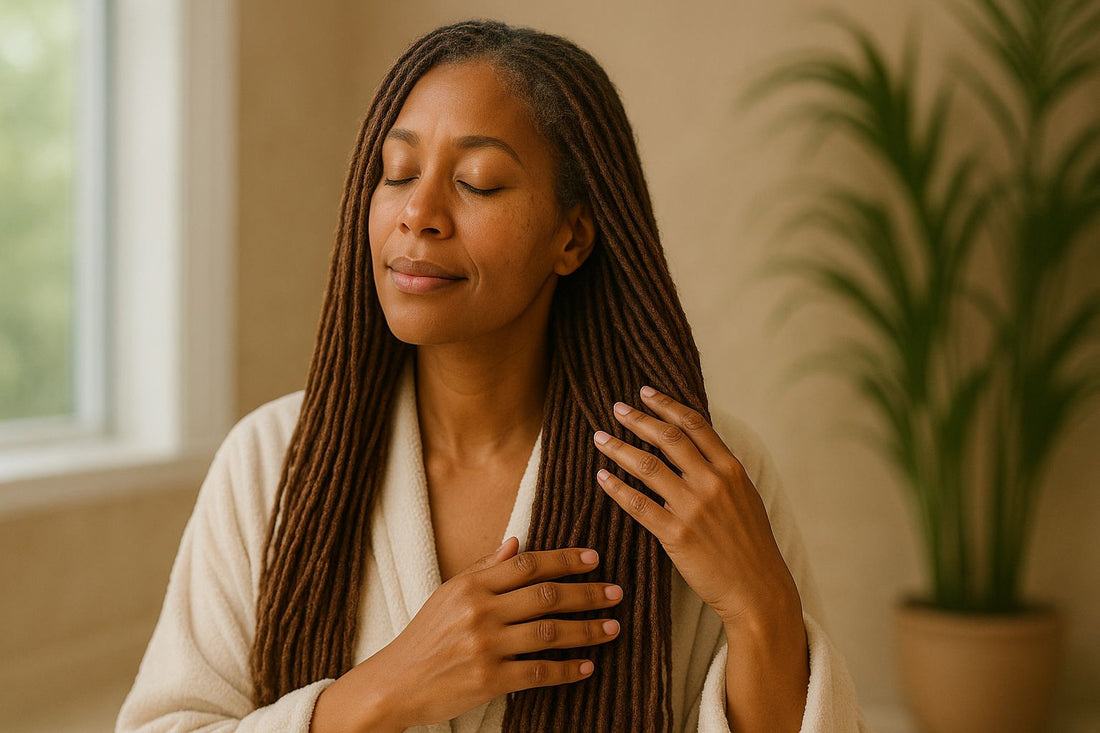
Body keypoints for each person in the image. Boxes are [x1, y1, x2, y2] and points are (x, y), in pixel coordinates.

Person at [116, 18, 867, 733]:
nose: (419, 213)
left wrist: (760, 603)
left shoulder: (695, 476)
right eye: (398, 171)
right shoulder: (271, 460)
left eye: (476, 182)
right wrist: (383, 689)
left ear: (571, 236)